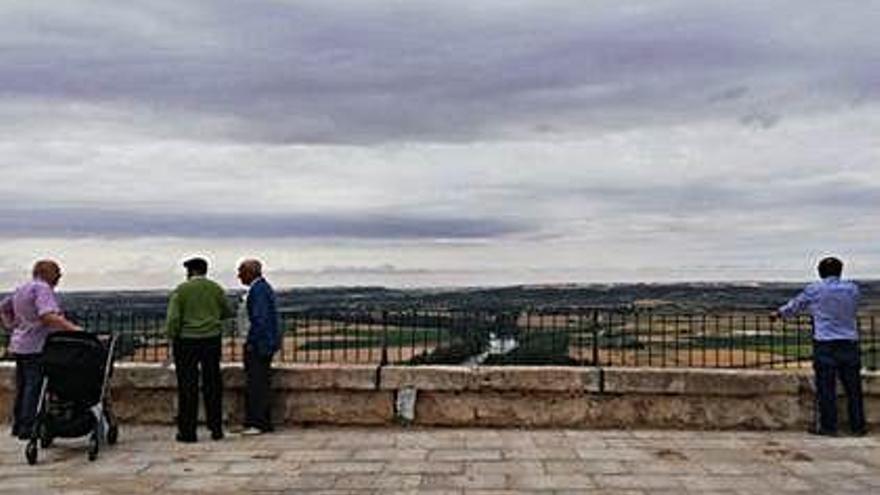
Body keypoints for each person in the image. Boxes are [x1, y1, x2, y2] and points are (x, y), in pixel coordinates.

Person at [771, 256, 867, 436]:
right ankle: (858, 426)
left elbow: (795, 307)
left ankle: (828, 427)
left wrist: (778, 314)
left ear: (820, 272)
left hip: (825, 343)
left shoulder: (814, 289)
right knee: (853, 389)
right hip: (849, 342)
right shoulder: (852, 289)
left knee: (826, 388)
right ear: (840, 271)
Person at [0, 260, 82, 440]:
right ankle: (29, 427)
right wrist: (74, 329)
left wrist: (12, 326)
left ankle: (19, 425)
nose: (60, 276)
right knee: (34, 386)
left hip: (20, 344)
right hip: (37, 345)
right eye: (57, 272)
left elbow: (3, 309)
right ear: (46, 272)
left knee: (22, 386)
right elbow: (47, 316)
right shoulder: (43, 289)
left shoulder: (22, 288)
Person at [166, 257, 233, 443]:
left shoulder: (181, 290)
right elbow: (227, 311)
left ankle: (188, 432)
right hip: (211, 339)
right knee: (213, 384)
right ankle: (216, 428)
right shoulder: (216, 288)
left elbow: (173, 319)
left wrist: (172, 335)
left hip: (186, 341)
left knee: (188, 386)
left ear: (191, 271)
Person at [237, 259, 280, 435]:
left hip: (258, 345)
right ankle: (258, 421)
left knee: (257, 384)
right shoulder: (261, 288)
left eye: (241, 271)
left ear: (250, 272)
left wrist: (251, 342)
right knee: (259, 382)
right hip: (262, 343)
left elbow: (259, 320)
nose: (238, 275)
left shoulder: (259, 290)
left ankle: (258, 422)